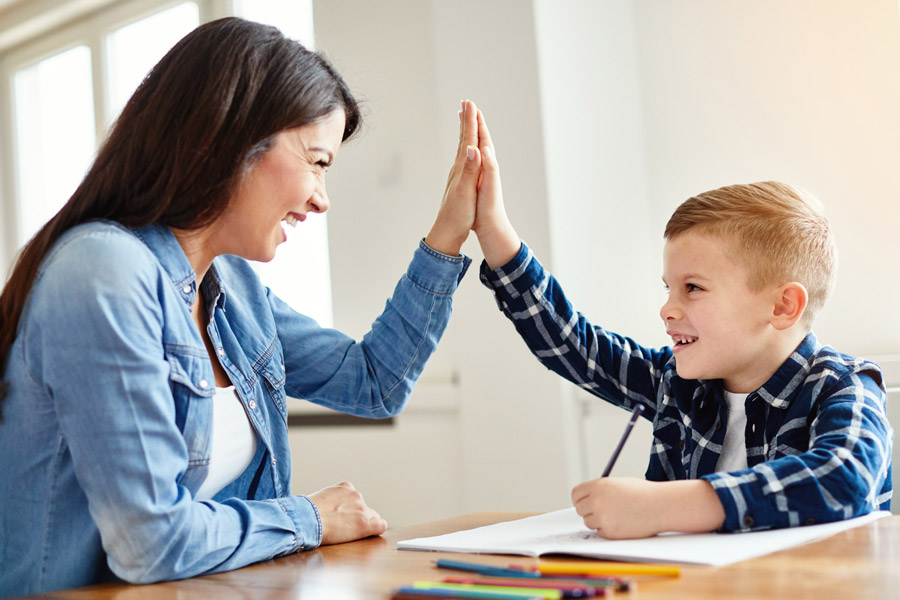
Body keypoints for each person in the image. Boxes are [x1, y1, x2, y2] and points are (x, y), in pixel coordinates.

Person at [0, 18, 485, 597]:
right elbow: (152, 543)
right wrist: (310, 516)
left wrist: (449, 234)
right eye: (317, 161)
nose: (321, 198)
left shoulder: (232, 289)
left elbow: (373, 382)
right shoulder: (103, 272)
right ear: (230, 140)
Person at [467, 109, 893, 539]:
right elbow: (575, 345)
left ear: (782, 306)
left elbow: (846, 478)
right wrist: (494, 232)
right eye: (667, 287)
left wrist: (665, 507)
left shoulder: (842, 387)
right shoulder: (677, 381)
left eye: (693, 288)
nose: (667, 309)